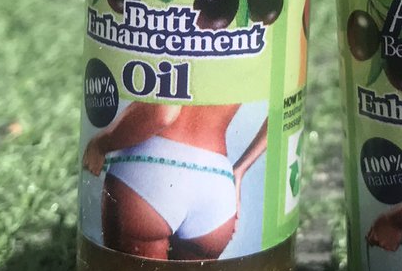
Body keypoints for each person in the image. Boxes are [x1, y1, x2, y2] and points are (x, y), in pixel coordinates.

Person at [82, 102, 267, 260]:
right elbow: (280, 108)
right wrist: (240, 170)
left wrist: (101, 143)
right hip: (217, 180)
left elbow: (163, 113)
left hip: (152, 170)